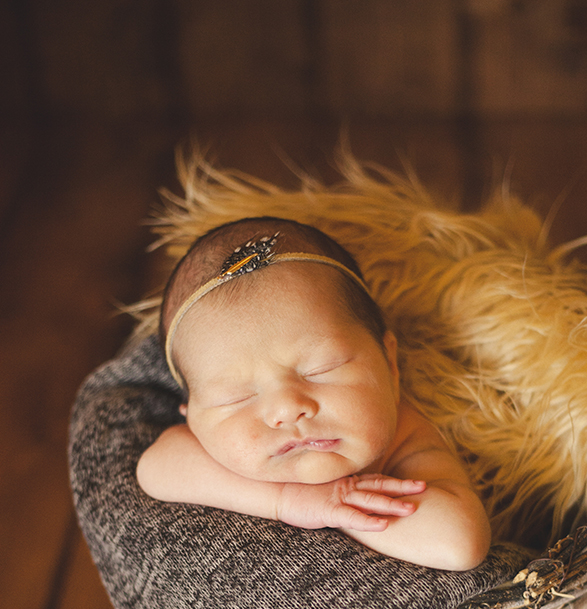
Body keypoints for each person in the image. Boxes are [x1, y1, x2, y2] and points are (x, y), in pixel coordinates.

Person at [136, 217, 490, 571]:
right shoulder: (204, 448)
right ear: (191, 418)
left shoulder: (405, 438)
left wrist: (340, 506)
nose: (287, 408)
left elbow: (459, 542)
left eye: (321, 369)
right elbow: (154, 467)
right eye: (236, 397)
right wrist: (290, 500)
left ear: (390, 365)